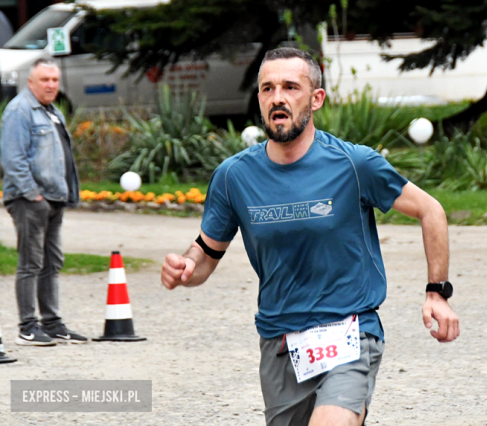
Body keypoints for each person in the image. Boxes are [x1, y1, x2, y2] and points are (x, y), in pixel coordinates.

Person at [160, 47, 459, 426]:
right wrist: (187, 266)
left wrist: (437, 292)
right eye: (267, 88)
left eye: (290, 87)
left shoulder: (354, 164)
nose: (277, 98)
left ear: (316, 98)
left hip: (350, 332)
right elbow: (205, 253)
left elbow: (430, 210)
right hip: (280, 341)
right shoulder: (234, 176)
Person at [1, 58, 87, 346]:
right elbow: (12, 159)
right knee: (31, 262)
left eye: (54, 80)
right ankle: (28, 327)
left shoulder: (53, 112)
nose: (51, 85)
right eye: (44, 80)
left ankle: (52, 323)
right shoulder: (19, 110)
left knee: (52, 261)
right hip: (30, 200)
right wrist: (33, 195)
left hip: (53, 198)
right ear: (30, 82)